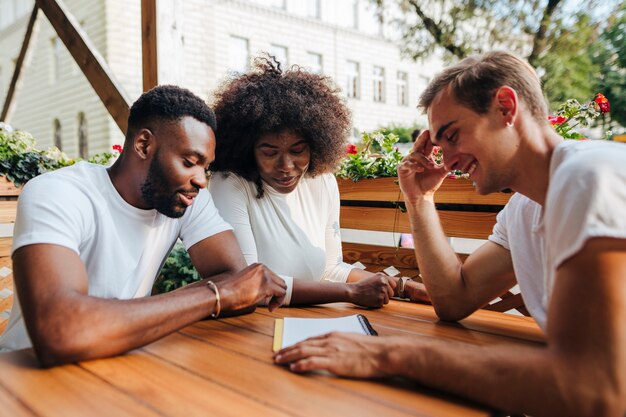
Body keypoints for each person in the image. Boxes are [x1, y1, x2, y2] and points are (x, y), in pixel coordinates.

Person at [274, 51, 626, 416]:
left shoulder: (590, 176)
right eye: (440, 147)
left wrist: (391, 354)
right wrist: (420, 198)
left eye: (453, 136)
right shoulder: (523, 211)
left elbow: (595, 388)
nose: (449, 161)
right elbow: (454, 299)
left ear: (506, 108)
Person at [0, 85, 286, 366]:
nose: (201, 179)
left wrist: (225, 292)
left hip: (117, 361)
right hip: (26, 375)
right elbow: (61, 332)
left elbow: (238, 284)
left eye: (205, 168)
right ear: (143, 145)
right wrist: (216, 294)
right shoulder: (59, 192)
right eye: (189, 162)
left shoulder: (186, 198)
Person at [209, 57, 426, 307]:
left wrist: (403, 286)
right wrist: (349, 293)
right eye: (269, 152)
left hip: (310, 319)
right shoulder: (230, 184)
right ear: (247, 149)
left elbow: (330, 269)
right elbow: (246, 284)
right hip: (255, 328)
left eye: (298, 150)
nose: (286, 166)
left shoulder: (321, 182)